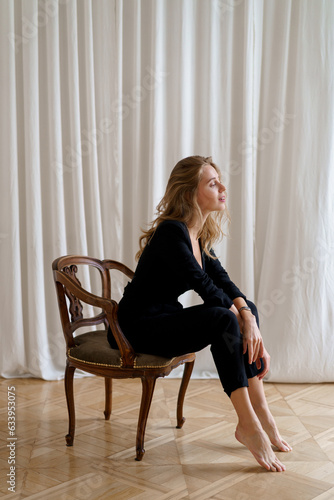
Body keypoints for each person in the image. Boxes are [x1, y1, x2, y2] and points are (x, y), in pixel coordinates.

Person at [108, 155, 292, 472]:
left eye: (219, 180)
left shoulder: (198, 234)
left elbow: (224, 283)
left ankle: (262, 413)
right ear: (191, 193)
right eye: (212, 182)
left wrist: (249, 317)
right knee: (225, 317)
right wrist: (244, 320)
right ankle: (247, 424)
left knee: (244, 308)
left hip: (164, 319)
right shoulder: (171, 233)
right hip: (134, 328)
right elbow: (206, 288)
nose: (222, 187)